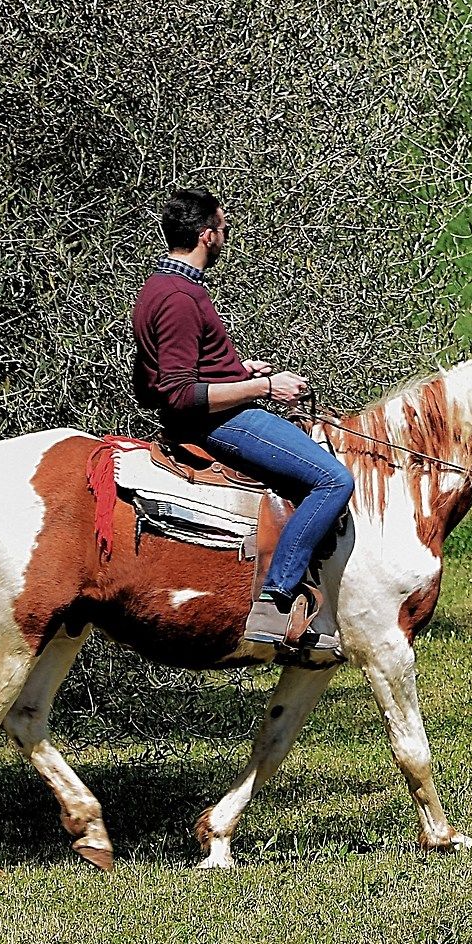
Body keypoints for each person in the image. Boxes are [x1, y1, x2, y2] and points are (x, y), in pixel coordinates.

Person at [130, 188, 353, 645]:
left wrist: (236, 370)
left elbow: (163, 375)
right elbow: (177, 394)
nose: (226, 236)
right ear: (206, 235)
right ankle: (276, 600)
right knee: (334, 480)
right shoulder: (178, 297)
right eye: (224, 228)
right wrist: (266, 387)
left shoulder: (159, 286)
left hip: (213, 416)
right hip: (215, 425)